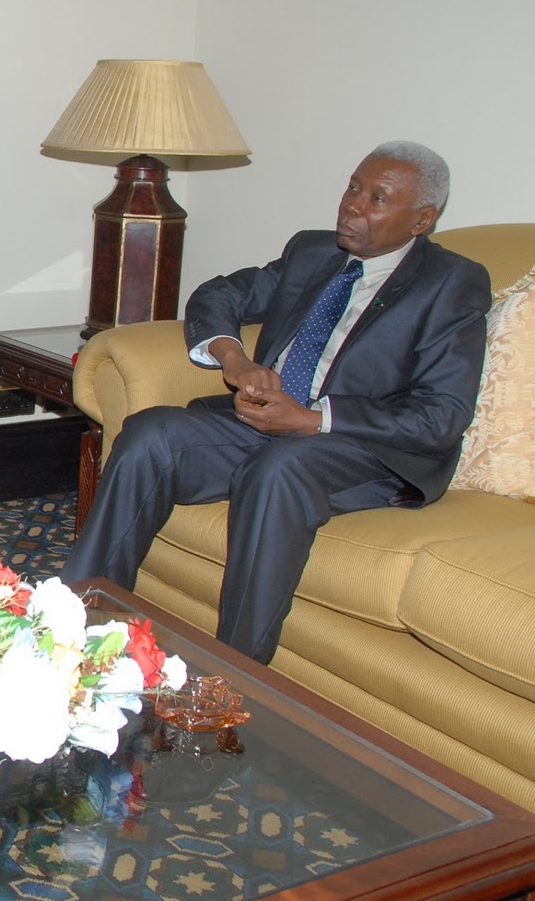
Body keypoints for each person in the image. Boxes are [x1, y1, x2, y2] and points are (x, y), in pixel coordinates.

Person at [64, 141, 491, 664]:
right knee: (151, 432)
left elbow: (442, 414)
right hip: (262, 422)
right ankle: (79, 627)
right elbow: (219, 294)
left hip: (360, 446)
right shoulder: (313, 252)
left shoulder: (452, 282)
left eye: (377, 198)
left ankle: (235, 675)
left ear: (422, 219)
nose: (352, 205)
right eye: (353, 187)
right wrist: (234, 361)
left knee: (278, 469)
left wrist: (311, 420)